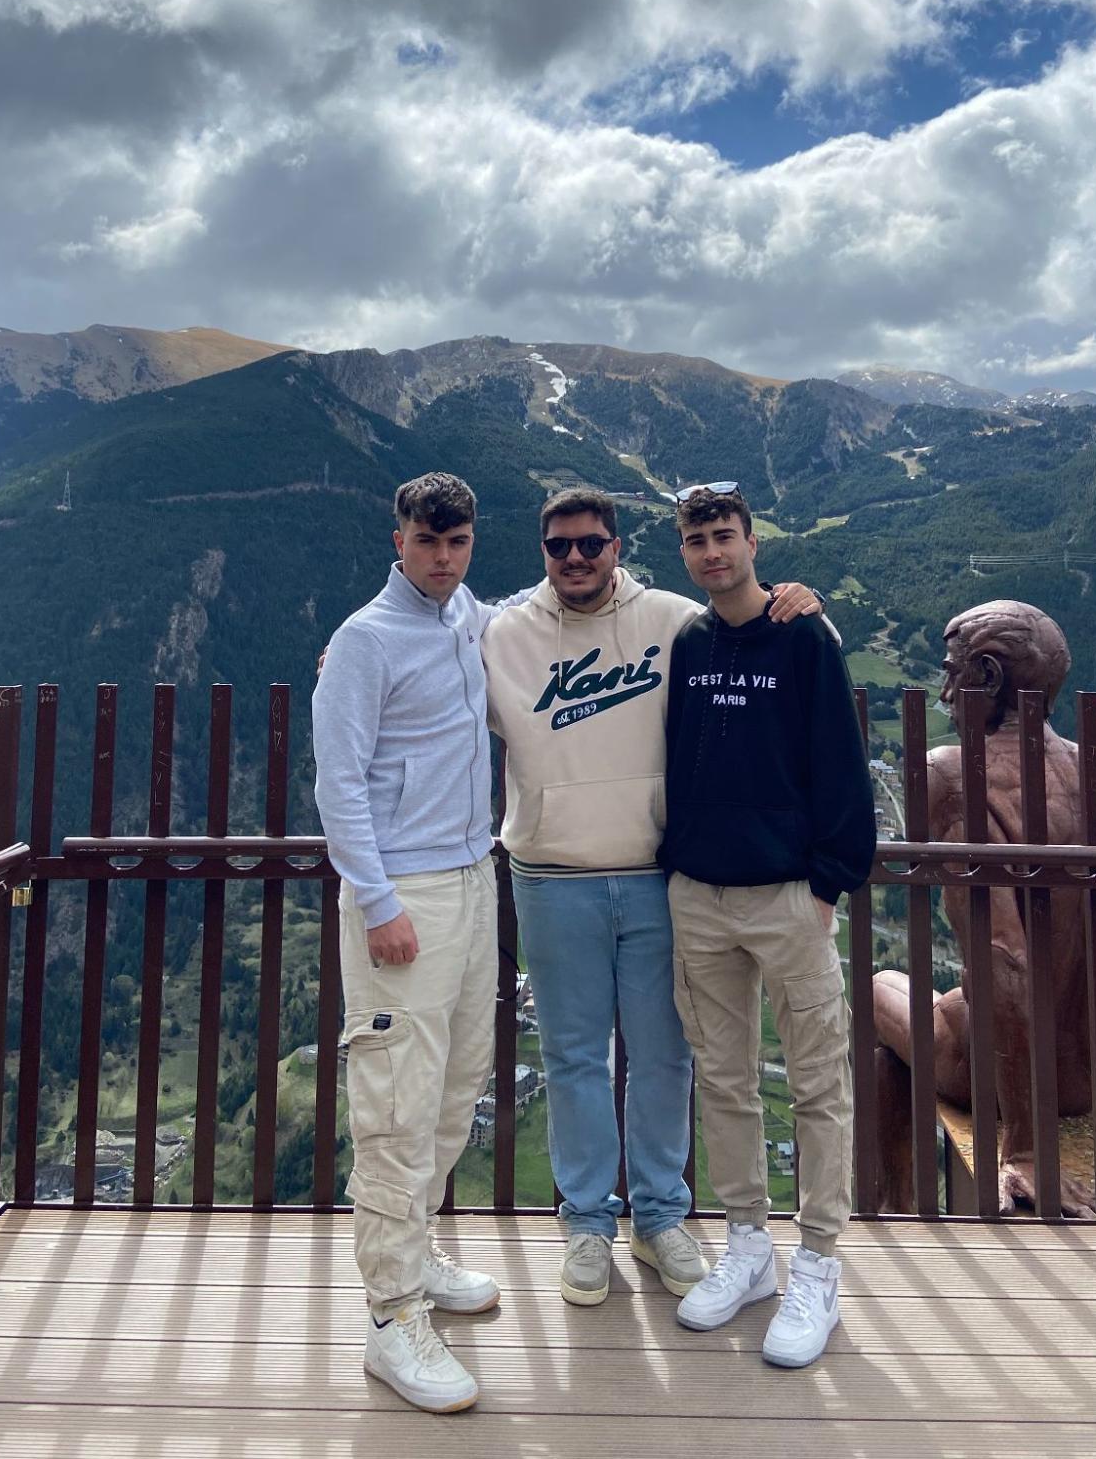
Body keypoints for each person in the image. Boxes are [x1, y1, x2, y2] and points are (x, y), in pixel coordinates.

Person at [481, 484, 826, 1308]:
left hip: (653, 873)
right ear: (542, 552)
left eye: (591, 544)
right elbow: (425, 634)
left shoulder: (675, 621)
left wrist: (797, 600)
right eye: (559, 545)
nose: (575, 559)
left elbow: (758, 631)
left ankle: (662, 1214)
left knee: (664, 1053)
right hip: (550, 875)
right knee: (571, 1057)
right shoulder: (502, 632)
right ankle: (588, 1222)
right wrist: (343, 657)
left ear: (618, 546)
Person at [312, 471, 528, 1415]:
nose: (444, 557)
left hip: (475, 878)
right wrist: (376, 899)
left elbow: (531, 608)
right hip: (406, 897)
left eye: (459, 542)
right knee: (397, 1105)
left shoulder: (465, 615)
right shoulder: (364, 640)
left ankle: (421, 1251)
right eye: (427, 541)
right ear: (397, 538)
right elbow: (338, 784)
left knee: (456, 1085)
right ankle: (391, 1315)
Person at [661, 484, 875, 1368]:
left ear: (754, 541)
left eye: (724, 536)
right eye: (697, 540)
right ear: (684, 552)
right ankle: (748, 1244)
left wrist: (827, 883)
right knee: (724, 1079)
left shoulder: (804, 636)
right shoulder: (688, 640)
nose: (713, 552)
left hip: (789, 895)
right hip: (699, 894)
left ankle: (818, 1260)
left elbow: (841, 765)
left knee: (818, 1081)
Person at [872, 599, 1096, 1217]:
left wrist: (1027, 1148)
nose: (944, 691)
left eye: (953, 671)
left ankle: (893, 1202)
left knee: (877, 986)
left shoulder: (953, 775)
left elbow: (1002, 957)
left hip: (989, 1070)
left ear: (987, 676)